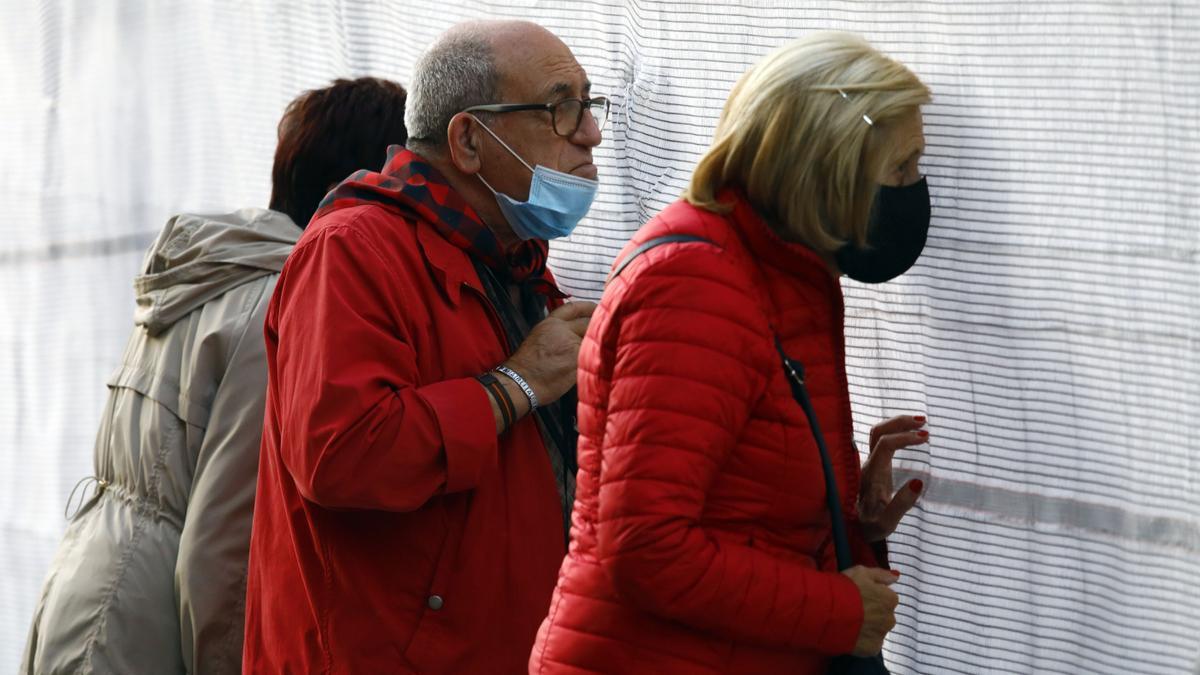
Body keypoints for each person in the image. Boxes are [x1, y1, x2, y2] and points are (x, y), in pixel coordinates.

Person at [530, 32, 933, 674]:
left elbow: (736, 504)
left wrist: (846, 513)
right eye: (902, 168)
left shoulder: (784, 271)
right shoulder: (694, 283)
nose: (916, 188)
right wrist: (838, 609)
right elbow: (646, 548)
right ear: (826, 166)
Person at [241, 21, 607, 674]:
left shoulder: (513, 261)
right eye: (560, 108)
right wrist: (515, 384)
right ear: (468, 139)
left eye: (590, 102)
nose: (590, 132)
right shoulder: (353, 249)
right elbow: (341, 453)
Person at [20, 77, 408, 675]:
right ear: (350, 190)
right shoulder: (280, 304)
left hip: (91, 600)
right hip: (147, 634)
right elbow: (227, 550)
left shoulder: (222, 266)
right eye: (404, 187)